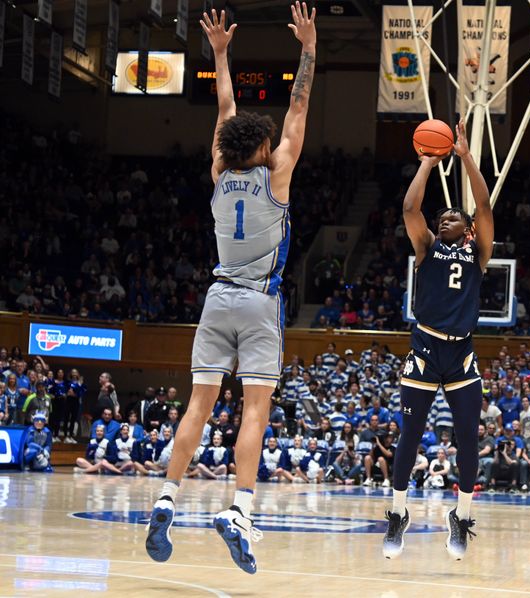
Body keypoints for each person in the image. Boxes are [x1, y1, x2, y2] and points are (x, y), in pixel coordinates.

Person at [146, 5, 317, 572]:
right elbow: (298, 107)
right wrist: (308, 49)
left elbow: (224, 109)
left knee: (199, 402)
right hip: (259, 302)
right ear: (263, 148)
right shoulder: (280, 174)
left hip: (216, 298)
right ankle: (239, 508)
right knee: (255, 410)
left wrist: (220, 53)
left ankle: (168, 495)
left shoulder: (220, 172)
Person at [383, 119, 494, 561]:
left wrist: (465, 156)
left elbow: (483, 206)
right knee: (410, 435)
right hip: (426, 349)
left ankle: (462, 517)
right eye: (442, 216)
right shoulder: (426, 246)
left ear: (466, 230)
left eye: (454, 217)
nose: (444, 218)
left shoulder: (477, 252)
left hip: (461, 351)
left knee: (468, 436)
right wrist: (428, 163)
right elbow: (411, 209)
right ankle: (397, 513)